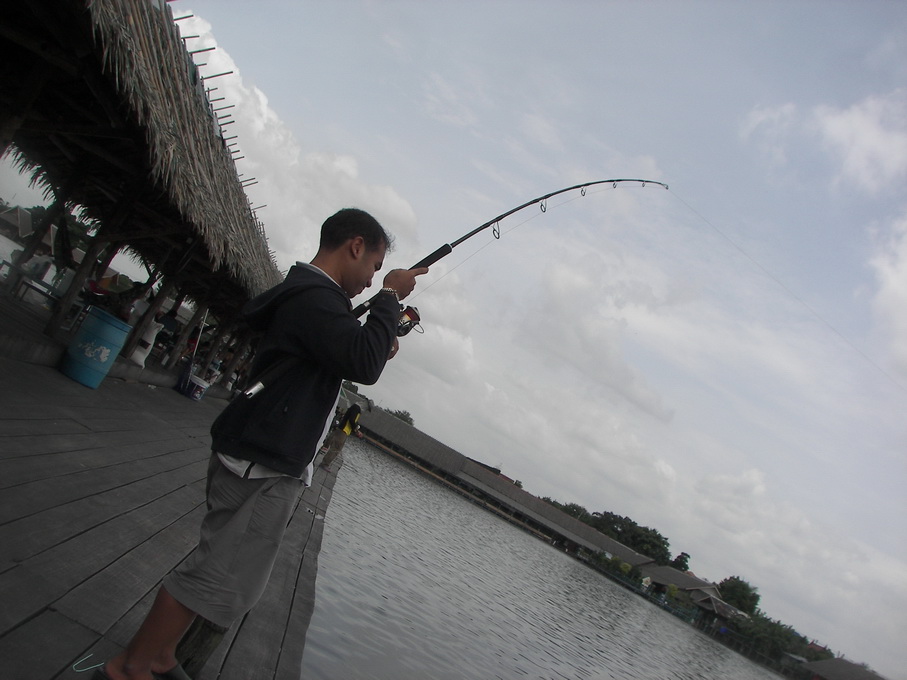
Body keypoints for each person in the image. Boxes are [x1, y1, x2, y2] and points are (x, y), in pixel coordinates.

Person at [96, 208, 428, 680]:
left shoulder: (315, 300)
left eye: (381, 276)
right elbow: (363, 363)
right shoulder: (316, 297)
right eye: (375, 267)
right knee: (212, 574)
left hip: (268, 459)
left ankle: (162, 657)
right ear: (356, 246)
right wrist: (391, 295)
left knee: (231, 578)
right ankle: (128, 668)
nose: (374, 278)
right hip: (260, 462)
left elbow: (353, 357)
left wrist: (380, 333)